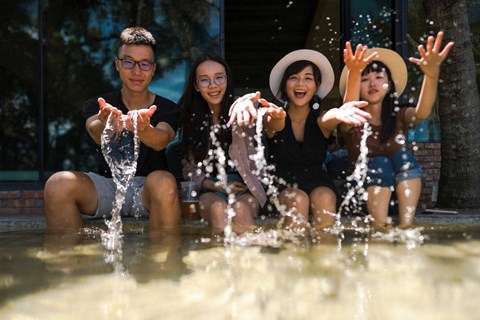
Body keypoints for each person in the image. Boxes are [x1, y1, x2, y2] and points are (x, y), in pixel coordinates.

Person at [43, 27, 181, 231]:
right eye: (128, 62)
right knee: (57, 184)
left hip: (149, 191)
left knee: (164, 182)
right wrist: (105, 122)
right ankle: (69, 260)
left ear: (153, 69)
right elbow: (94, 132)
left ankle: (163, 262)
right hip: (108, 185)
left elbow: (161, 139)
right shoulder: (100, 104)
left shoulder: (168, 107)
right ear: (117, 64)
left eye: (144, 64)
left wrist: (143, 128)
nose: (136, 71)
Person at [338, 31, 454, 228]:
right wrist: (354, 73)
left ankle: (406, 226)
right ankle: (379, 228)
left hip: (398, 198)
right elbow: (347, 111)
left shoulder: (399, 114)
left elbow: (421, 113)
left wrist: (431, 75)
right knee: (380, 162)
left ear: (389, 84)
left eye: (378, 77)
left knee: (403, 157)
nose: (372, 83)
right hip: (359, 196)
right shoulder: (352, 116)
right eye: (365, 79)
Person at [265, 49, 371, 229]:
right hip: (282, 184)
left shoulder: (321, 119)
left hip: (317, 181)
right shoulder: (276, 116)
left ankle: (325, 255)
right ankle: (294, 254)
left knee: (325, 197)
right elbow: (274, 124)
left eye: (308, 78)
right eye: (294, 77)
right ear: (284, 85)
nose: (300, 83)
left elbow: (332, 117)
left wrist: (354, 74)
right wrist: (275, 117)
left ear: (316, 85)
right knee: (298, 199)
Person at [178, 52, 279, 234]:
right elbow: (190, 171)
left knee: (240, 210)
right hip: (210, 189)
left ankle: (250, 260)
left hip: (247, 189)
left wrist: (245, 102)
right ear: (196, 86)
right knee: (218, 210)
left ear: (228, 80)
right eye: (204, 80)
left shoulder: (242, 110)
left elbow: (252, 107)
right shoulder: (192, 120)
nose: (213, 85)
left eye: (219, 78)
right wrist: (216, 185)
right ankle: (219, 260)